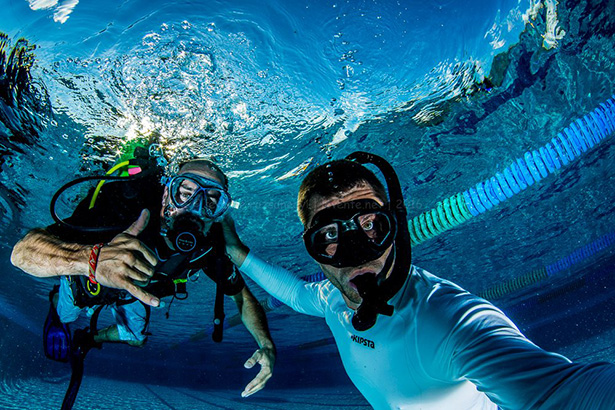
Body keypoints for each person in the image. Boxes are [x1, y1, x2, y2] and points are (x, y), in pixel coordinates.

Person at [221, 151, 615, 410]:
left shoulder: (448, 320)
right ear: (313, 249)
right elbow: (294, 292)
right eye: (329, 237)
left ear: (395, 228)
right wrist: (236, 250)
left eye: (370, 227)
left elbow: (563, 392)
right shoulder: (331, 298)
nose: (357, 254)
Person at [11, 156, 276, 398]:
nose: (195, 209)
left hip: (133, 292)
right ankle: (57, 302)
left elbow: (242, 298)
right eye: (185, 192)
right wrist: (91, 259)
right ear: (166, 194)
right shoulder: (124, 209)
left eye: (210, 201)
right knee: (66, 315)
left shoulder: (208, 247)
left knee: (135, 338)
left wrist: (266, 344)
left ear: (219, 212)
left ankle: (89, 338)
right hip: (87, 279)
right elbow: (22, 252)